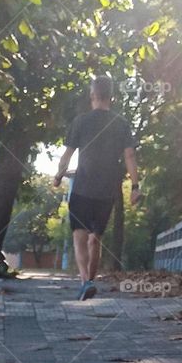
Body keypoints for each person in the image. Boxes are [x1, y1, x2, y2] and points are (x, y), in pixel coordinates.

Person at [52, 75, 140, 300]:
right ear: (112, 97)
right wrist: (135, 186)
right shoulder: (121, 124)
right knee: (96, 238)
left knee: (79, 237)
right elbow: (129, 155)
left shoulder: (80, 121)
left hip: (82, 187)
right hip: (108, 190)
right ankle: (90, 281)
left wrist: (59, 175)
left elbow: (67, 155)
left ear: (92, 95)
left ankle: (86, 281)